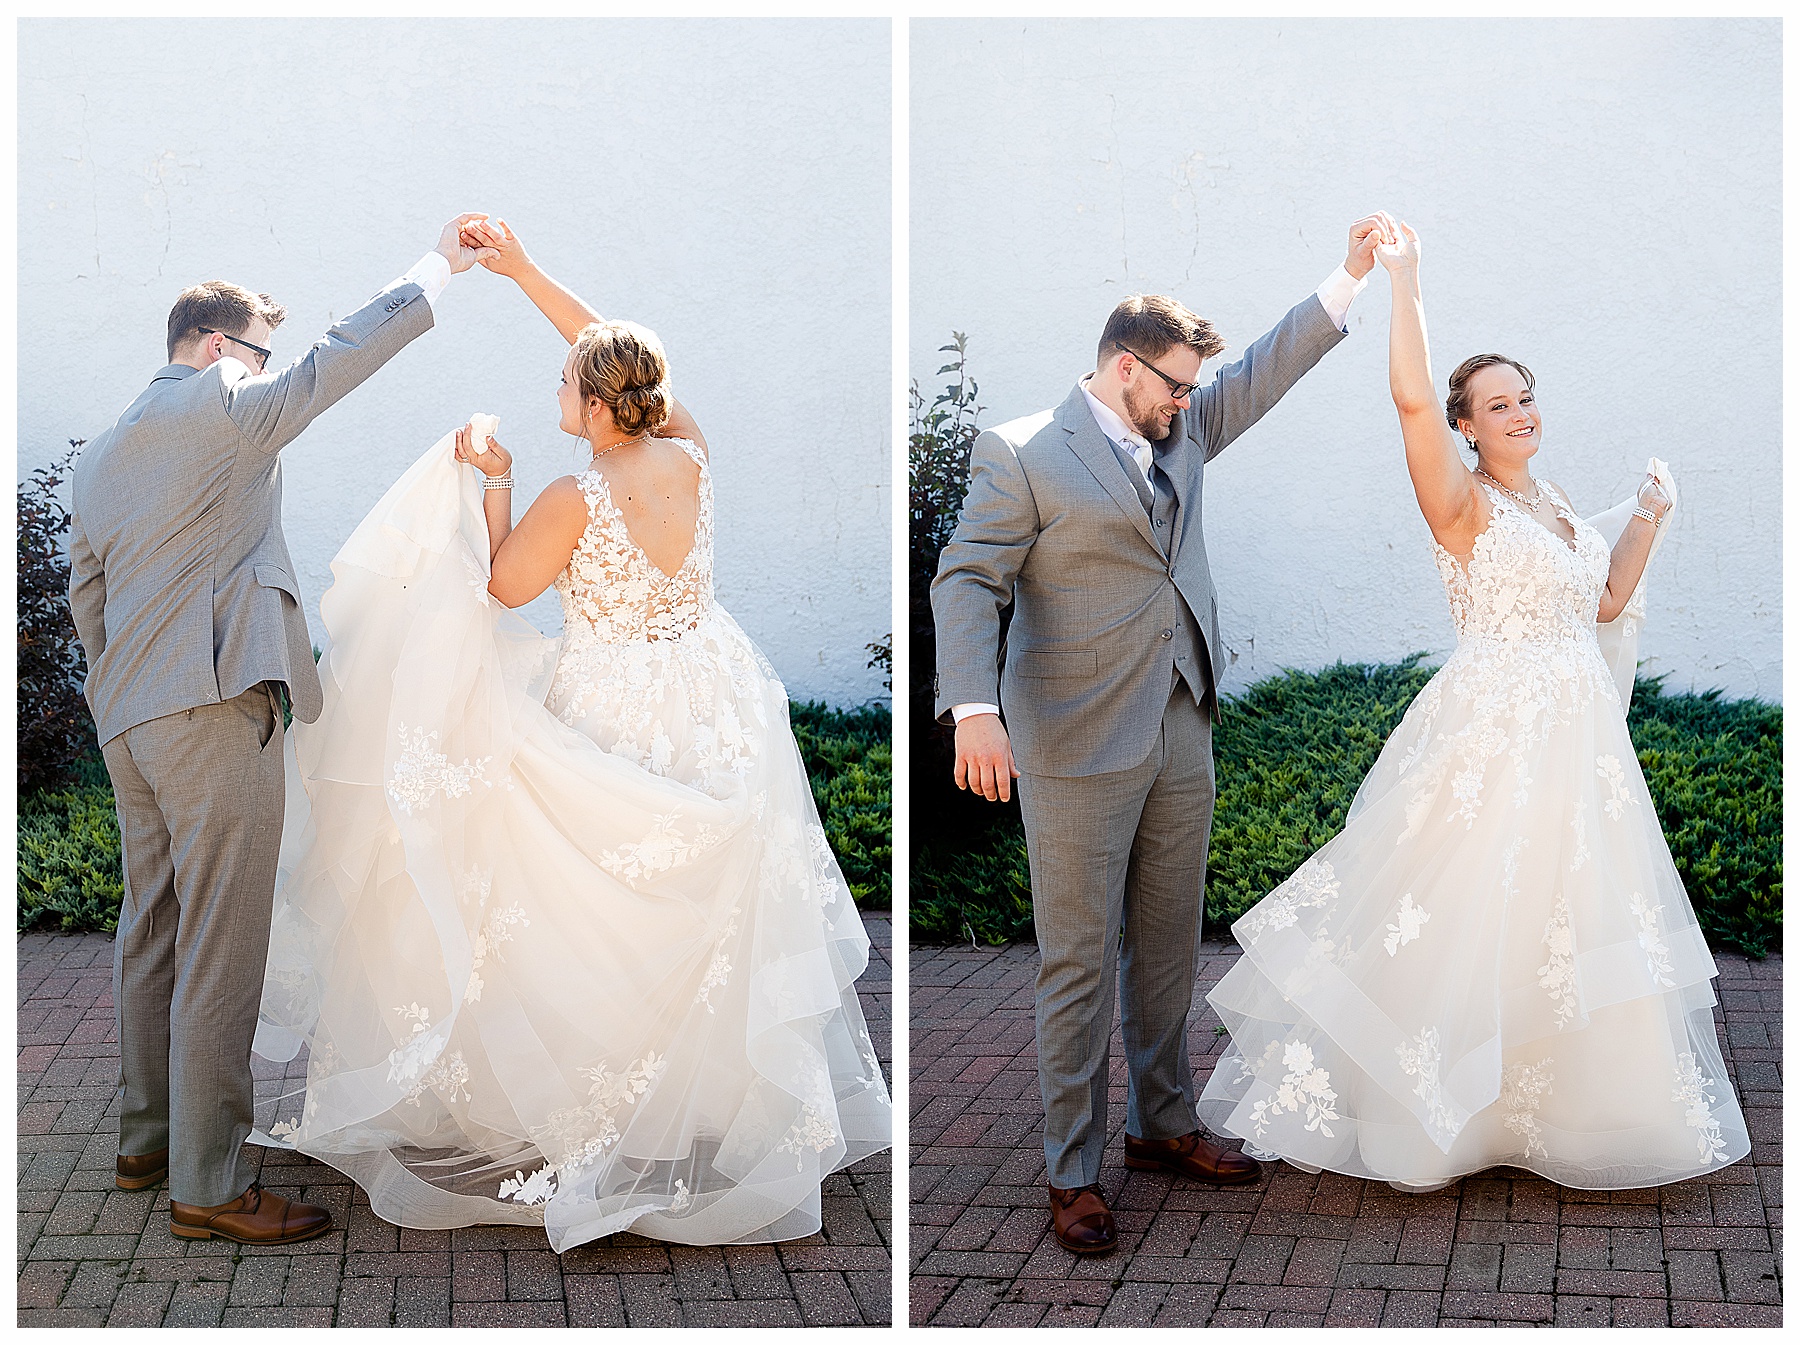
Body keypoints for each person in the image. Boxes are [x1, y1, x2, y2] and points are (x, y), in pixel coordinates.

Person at [252, 219, 891, 1251]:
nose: (556, 395)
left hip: (613, 704)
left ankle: (600, 1112)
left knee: (588, 906)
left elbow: (500, 590)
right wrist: (525, 275)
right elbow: (621, 350)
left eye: (565, 386)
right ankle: (696, 1105)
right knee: (704, 905)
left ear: (596, 406)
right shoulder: (691, 453)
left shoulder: (573, 492)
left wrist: (489, 479)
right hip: (712, 696)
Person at [1196, 222, 1750, 1191]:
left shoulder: (1559, 504)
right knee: (1470, 919)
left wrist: (1651, 515)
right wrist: (1402, 281)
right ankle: (1448, 1117)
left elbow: (1604, 601)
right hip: (1495, 734)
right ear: (1468, 425)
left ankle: (1558, 1118)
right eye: (1499, 403)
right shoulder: (1462, 503)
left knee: (1562, 920)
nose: (1520, 412)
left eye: (1526, 396)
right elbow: (1411, 393)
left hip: (1579, 751)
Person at [930, 215, 1396, 1255]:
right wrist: (973, 710)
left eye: (1193, 390)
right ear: (1123, 366)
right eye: (1175, 384)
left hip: (1182, 720)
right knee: (1078, 961)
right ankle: (1073, 1169)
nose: (1189, 402)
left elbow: (1268, 370)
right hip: (1073, 737)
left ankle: (1162, 1120)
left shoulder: (1180, 427)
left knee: (1167, 942)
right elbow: (967, 578)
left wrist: (1352, 274)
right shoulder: (1022, 454)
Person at [67, 214, 498, 1246]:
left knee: (153, 927)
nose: (267, 372)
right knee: (222, 944)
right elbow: (332, 363)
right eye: (257, 352)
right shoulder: (225, 401)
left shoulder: (104, 450)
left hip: (128, 715)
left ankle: (147, 1140)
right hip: (214, 708)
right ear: (219, 348)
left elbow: (88, 596)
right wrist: (440, 267)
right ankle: (208, 1183)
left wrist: (124, 688)